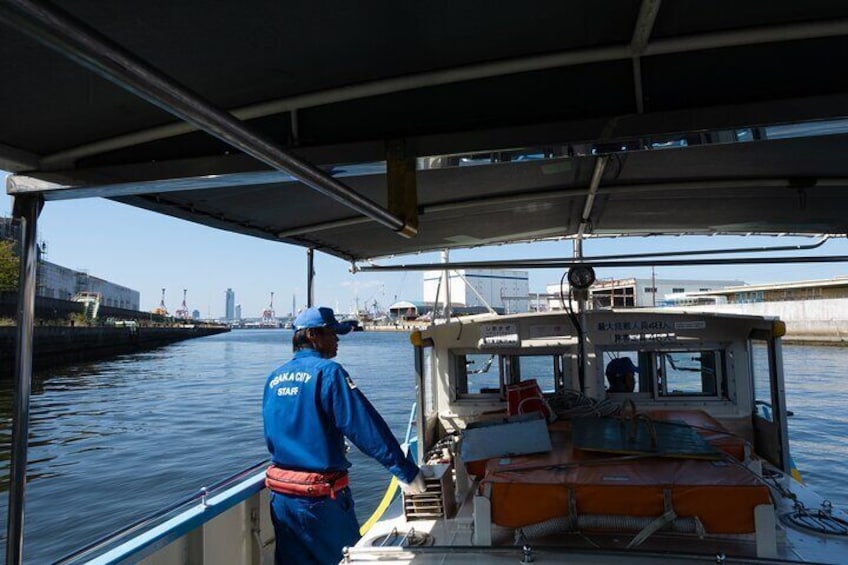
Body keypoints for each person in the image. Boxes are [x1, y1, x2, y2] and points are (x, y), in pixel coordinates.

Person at [262, 306, 426, 564]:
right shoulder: (329, 373)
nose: (337, 340)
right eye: (332, 333)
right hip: (321, 503)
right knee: (347, 559)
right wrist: (405, 470)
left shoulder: (274, 378)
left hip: (282, 499)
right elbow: (365, 427)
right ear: (313, 336)